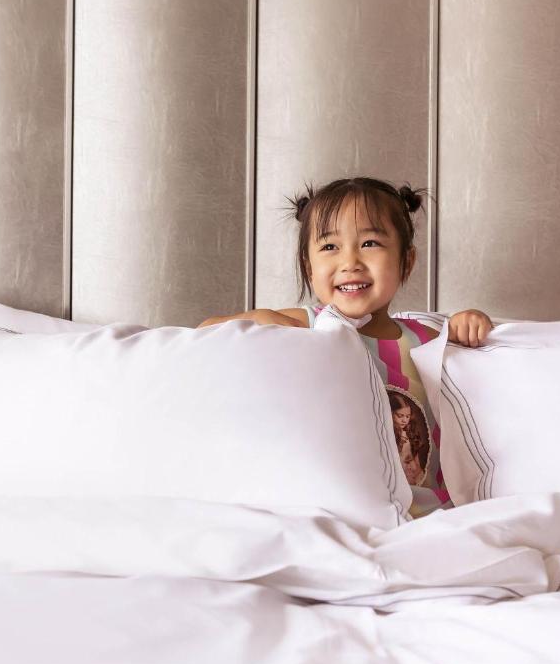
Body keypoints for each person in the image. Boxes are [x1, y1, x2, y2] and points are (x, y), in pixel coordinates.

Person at [199, 176, 492, 517]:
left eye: (369, 243)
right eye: (329, 247)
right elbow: (207, 330)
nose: (350, 261)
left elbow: (470, 352)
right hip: (344, 507)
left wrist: (470, 321)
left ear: (406, 262)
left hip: (430, 510)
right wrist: (267, 320)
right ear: (310, 269)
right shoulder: (311, 323)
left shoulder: (425, 334)